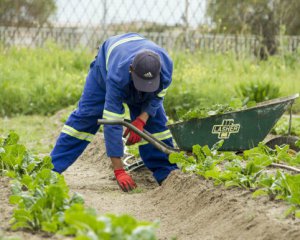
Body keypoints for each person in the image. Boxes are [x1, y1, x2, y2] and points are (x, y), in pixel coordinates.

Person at [50, 33, 178, 192]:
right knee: (86, 117)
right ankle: (51, 169)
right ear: (131, 70)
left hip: (136, 63)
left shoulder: (166, 68)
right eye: (141, 83)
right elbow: (113, 123)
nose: (143, 88)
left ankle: (166, 173)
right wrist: (119, 169)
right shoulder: (118, 75)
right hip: (104, 70)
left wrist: (142, 120)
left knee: (155, 122)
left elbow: (157, 97)